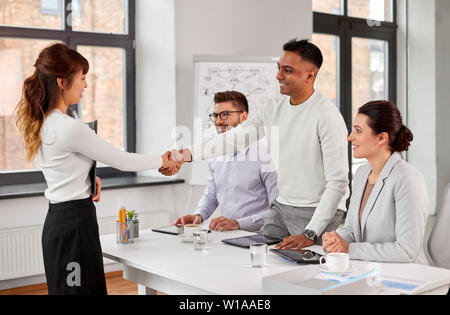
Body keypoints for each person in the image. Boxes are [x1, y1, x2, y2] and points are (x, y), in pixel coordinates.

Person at [15, 43, 178, 295]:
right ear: (61, 82)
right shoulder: (69, 127)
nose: (85, 85)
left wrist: (88, 180)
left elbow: (61, 169)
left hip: (60, 221)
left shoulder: (43, 123)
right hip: (74, 226)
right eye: (82, 78)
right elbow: (123, 161)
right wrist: (163, 159)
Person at [172, 39, 349, 249]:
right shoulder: (272, 108)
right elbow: (233, 139)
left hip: (318, 210)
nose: (278, 76)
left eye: (288, 70)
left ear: (310, 75)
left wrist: (311, 232)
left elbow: (338, 183)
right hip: (283, 206)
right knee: (255, 255)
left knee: (306, 271)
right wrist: (185, 154)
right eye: (279, 68)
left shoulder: (327, 116)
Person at [322, 101, 429, 264]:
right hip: (369, 270)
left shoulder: (408, 179)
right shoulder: (362, 174)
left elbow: (407, 251)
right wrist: (336, 241)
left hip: (405, 278)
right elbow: (351, 229)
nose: (350, 137)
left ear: (381, 138)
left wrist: (349, 249)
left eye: (358, 131)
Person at [173, 91, 278, 232]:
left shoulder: (266, 156)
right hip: (226, 237)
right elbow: (211, 195)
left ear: (244, 117)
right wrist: (198, 215)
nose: (217, 122)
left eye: (225, 115)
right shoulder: (215, 156)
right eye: (215, 116)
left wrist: (239, 224)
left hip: (259, 240)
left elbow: (278, 211)